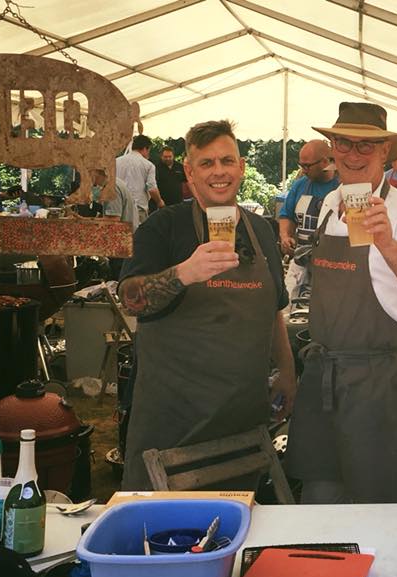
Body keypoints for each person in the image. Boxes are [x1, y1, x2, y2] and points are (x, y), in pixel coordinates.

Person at [117, 119, 296, 490]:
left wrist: (288, 372)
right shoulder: (162, 227)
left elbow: (273, 310)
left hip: (242, 423)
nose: (219, 172)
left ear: (241, 167)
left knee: (237, 526)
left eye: (227, 161)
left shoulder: (261, 230)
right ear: (189, 171)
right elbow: (131, 301)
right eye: (206, 163)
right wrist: (184, 273)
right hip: (174, 426)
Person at [285, 102, 397, 504]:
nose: (354, 155)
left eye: (365, 146)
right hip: (323, 376)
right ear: (332, 147)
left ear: (384, 152)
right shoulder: (327, 206)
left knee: (380, 504)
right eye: (344, 144)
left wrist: (386, 240)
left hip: (379, 381)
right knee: (319, 497)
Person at [279, 139, 339, 299]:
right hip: (300, 262)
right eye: (301, 165)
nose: (303, 170)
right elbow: (286, 215)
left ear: (325, 162)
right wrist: (285, 236)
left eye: (307, 166)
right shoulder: (300, 185)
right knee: (288, 303)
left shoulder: (342, 186)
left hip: (333, 266)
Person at [116, 134, 165, 227]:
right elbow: (152, 188)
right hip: (138, 208)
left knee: (120, 237)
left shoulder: (116, 162)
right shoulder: (148, 165)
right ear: (145, 148)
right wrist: (160, 202)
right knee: (138, 238)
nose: (148, 154)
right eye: (149, 151)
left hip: (117, 208)